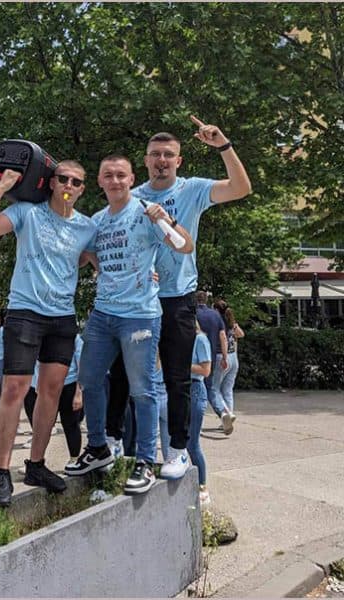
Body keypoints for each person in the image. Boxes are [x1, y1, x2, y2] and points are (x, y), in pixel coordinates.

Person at [130, 116, 251, 479]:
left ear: (178, 161)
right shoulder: (132, 198)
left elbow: (241, 188)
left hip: (179, 298)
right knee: (134, 378)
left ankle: (178, 451)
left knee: (179, 379)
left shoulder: (192, 189)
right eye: (155, 154)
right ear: (146, 160)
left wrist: (224, 146)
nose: (161, 160)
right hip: (139, 301)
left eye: (168, 154)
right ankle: (134, 450)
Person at [0, 160, 97, 507]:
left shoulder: (87, 227)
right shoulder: (26, 212)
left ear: (82, 188)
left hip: (62, 317)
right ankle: (1, 471)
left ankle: (36, 464)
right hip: (26, 312)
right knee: (15, 388)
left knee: (52, 391)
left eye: (77, 180)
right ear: (51, 183)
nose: (69, 183)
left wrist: (144, 278)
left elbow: (100, 262)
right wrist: (1, 187)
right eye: (63, 178)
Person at [67, 155, 193, 496]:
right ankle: (98, 448)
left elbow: (185, 246)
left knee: (143, 390)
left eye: (121, 175)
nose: (115, 180)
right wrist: (97, 266)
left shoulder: (146, 211)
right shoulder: (96, 220)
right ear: (100, 181)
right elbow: (88, 255)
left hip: (139, 315)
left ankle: (144, 462)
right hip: (103, 315)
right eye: (108, 175)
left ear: (131, 178)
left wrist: (166, 219)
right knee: (90, 380)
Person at [24, 334, 84, 470]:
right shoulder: (40, 335)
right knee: (41, 426)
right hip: (45, 387)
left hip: (68, 384)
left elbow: (82, 364)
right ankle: (36, 462)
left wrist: (79, 393)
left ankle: (74, 459)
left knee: (70, 424)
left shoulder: (74, 338)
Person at [195, 291, 231, 434]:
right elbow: (223, 336)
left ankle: (194, 421)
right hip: (211, 356)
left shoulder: (192, 314)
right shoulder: (215, 315)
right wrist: (224, 356)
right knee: (210, 388)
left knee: (193, 389)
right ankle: (223, 412)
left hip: (193, 358)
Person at [187, 321, 213, 507]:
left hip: (195, 389)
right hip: (183, 390)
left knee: (192, 443)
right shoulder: (185, 339)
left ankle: (203, 486)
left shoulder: (200, 339)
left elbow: (205, 370)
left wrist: (180, 364)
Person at [212, 300, 245, 421]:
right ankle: (230, 413)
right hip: (234, 357)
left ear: (216, 310)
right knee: (227, 389)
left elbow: (222, 339)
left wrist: (224, 357)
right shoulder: (231, 322)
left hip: (223, 356)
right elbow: (241, 334)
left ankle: (226, 413)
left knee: (214, 389)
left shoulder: (218, 322)